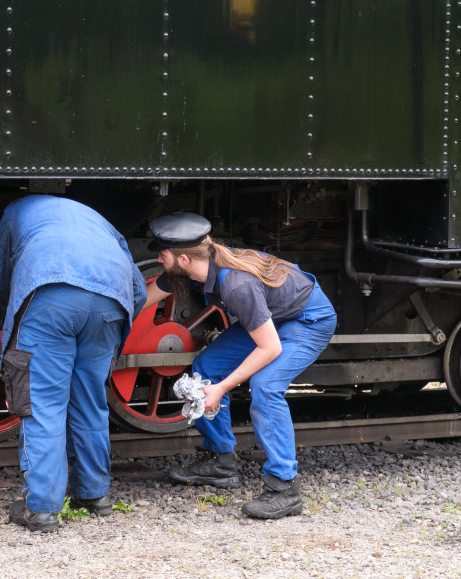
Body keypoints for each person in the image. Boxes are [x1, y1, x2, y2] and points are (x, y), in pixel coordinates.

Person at [144, 212, 336, 519]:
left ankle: (284, 487)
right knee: (206, 366)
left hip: (306, 319)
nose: (157, 258)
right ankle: (221, 462)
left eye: (162, 254)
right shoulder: (194, 268)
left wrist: (220, 389)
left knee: (266, 386)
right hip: (272, 318)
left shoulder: (236, 284)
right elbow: (144, 297)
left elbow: (269, 347)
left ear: (182, 259)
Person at [0, 195, 146, 532]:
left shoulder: (16, 209)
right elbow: (137, 289)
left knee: (43, 404)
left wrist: (11, 309)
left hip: (50, 296)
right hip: (110, 303)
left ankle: (41, 509)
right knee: (90, 399)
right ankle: (94, 494)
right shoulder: (97, 218)